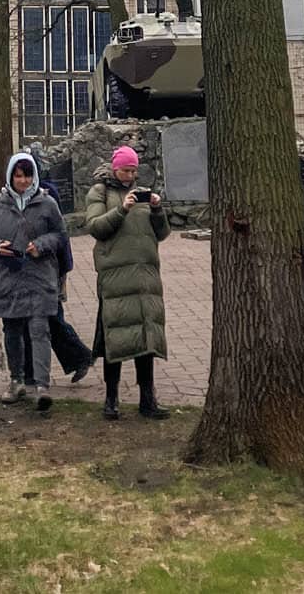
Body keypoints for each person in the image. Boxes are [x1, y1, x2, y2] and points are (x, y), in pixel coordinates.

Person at [0, 150, 67, 413]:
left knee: (40, 332)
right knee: (12, 331)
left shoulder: (47, 204)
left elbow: (60, 234)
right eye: (19, 176)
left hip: (39, 277)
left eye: (28, 176)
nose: (24, 181)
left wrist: (41, 245)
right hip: (9, 277)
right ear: (11, 176)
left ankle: (41, 386)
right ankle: (16, 381)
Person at [85, 143, 170, 421]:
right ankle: (111, 399)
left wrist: (157, 210)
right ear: (115, 168)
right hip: (116, 279)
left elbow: (162, 234)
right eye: (125, 170)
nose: (130, 175)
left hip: (145, 277)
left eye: (133, 170)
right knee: (116, 338)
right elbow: (96, 227)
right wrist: (121, 209)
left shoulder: (142, 194)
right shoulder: (100, 192)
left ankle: (148, 399)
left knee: (146, 337)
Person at [28, 147, 93, 383]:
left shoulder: (48, 195)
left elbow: (60, 236)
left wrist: (63, 269)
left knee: (51, 317)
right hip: (34, 267)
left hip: (50, 267)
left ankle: (80, 356)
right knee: (41, 318)